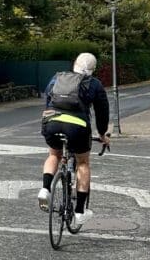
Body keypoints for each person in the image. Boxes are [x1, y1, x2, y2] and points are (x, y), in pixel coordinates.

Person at [37, 52, 111, 228]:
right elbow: (102, 113)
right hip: (77, 127)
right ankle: (79, 212)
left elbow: (48, 98)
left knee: (53, 155)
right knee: (83, 163)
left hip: (52, 121)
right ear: (93, 69)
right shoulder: (94, 84)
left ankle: (45, 188)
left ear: (74, 64)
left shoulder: (58, 77)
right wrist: (102, 135)